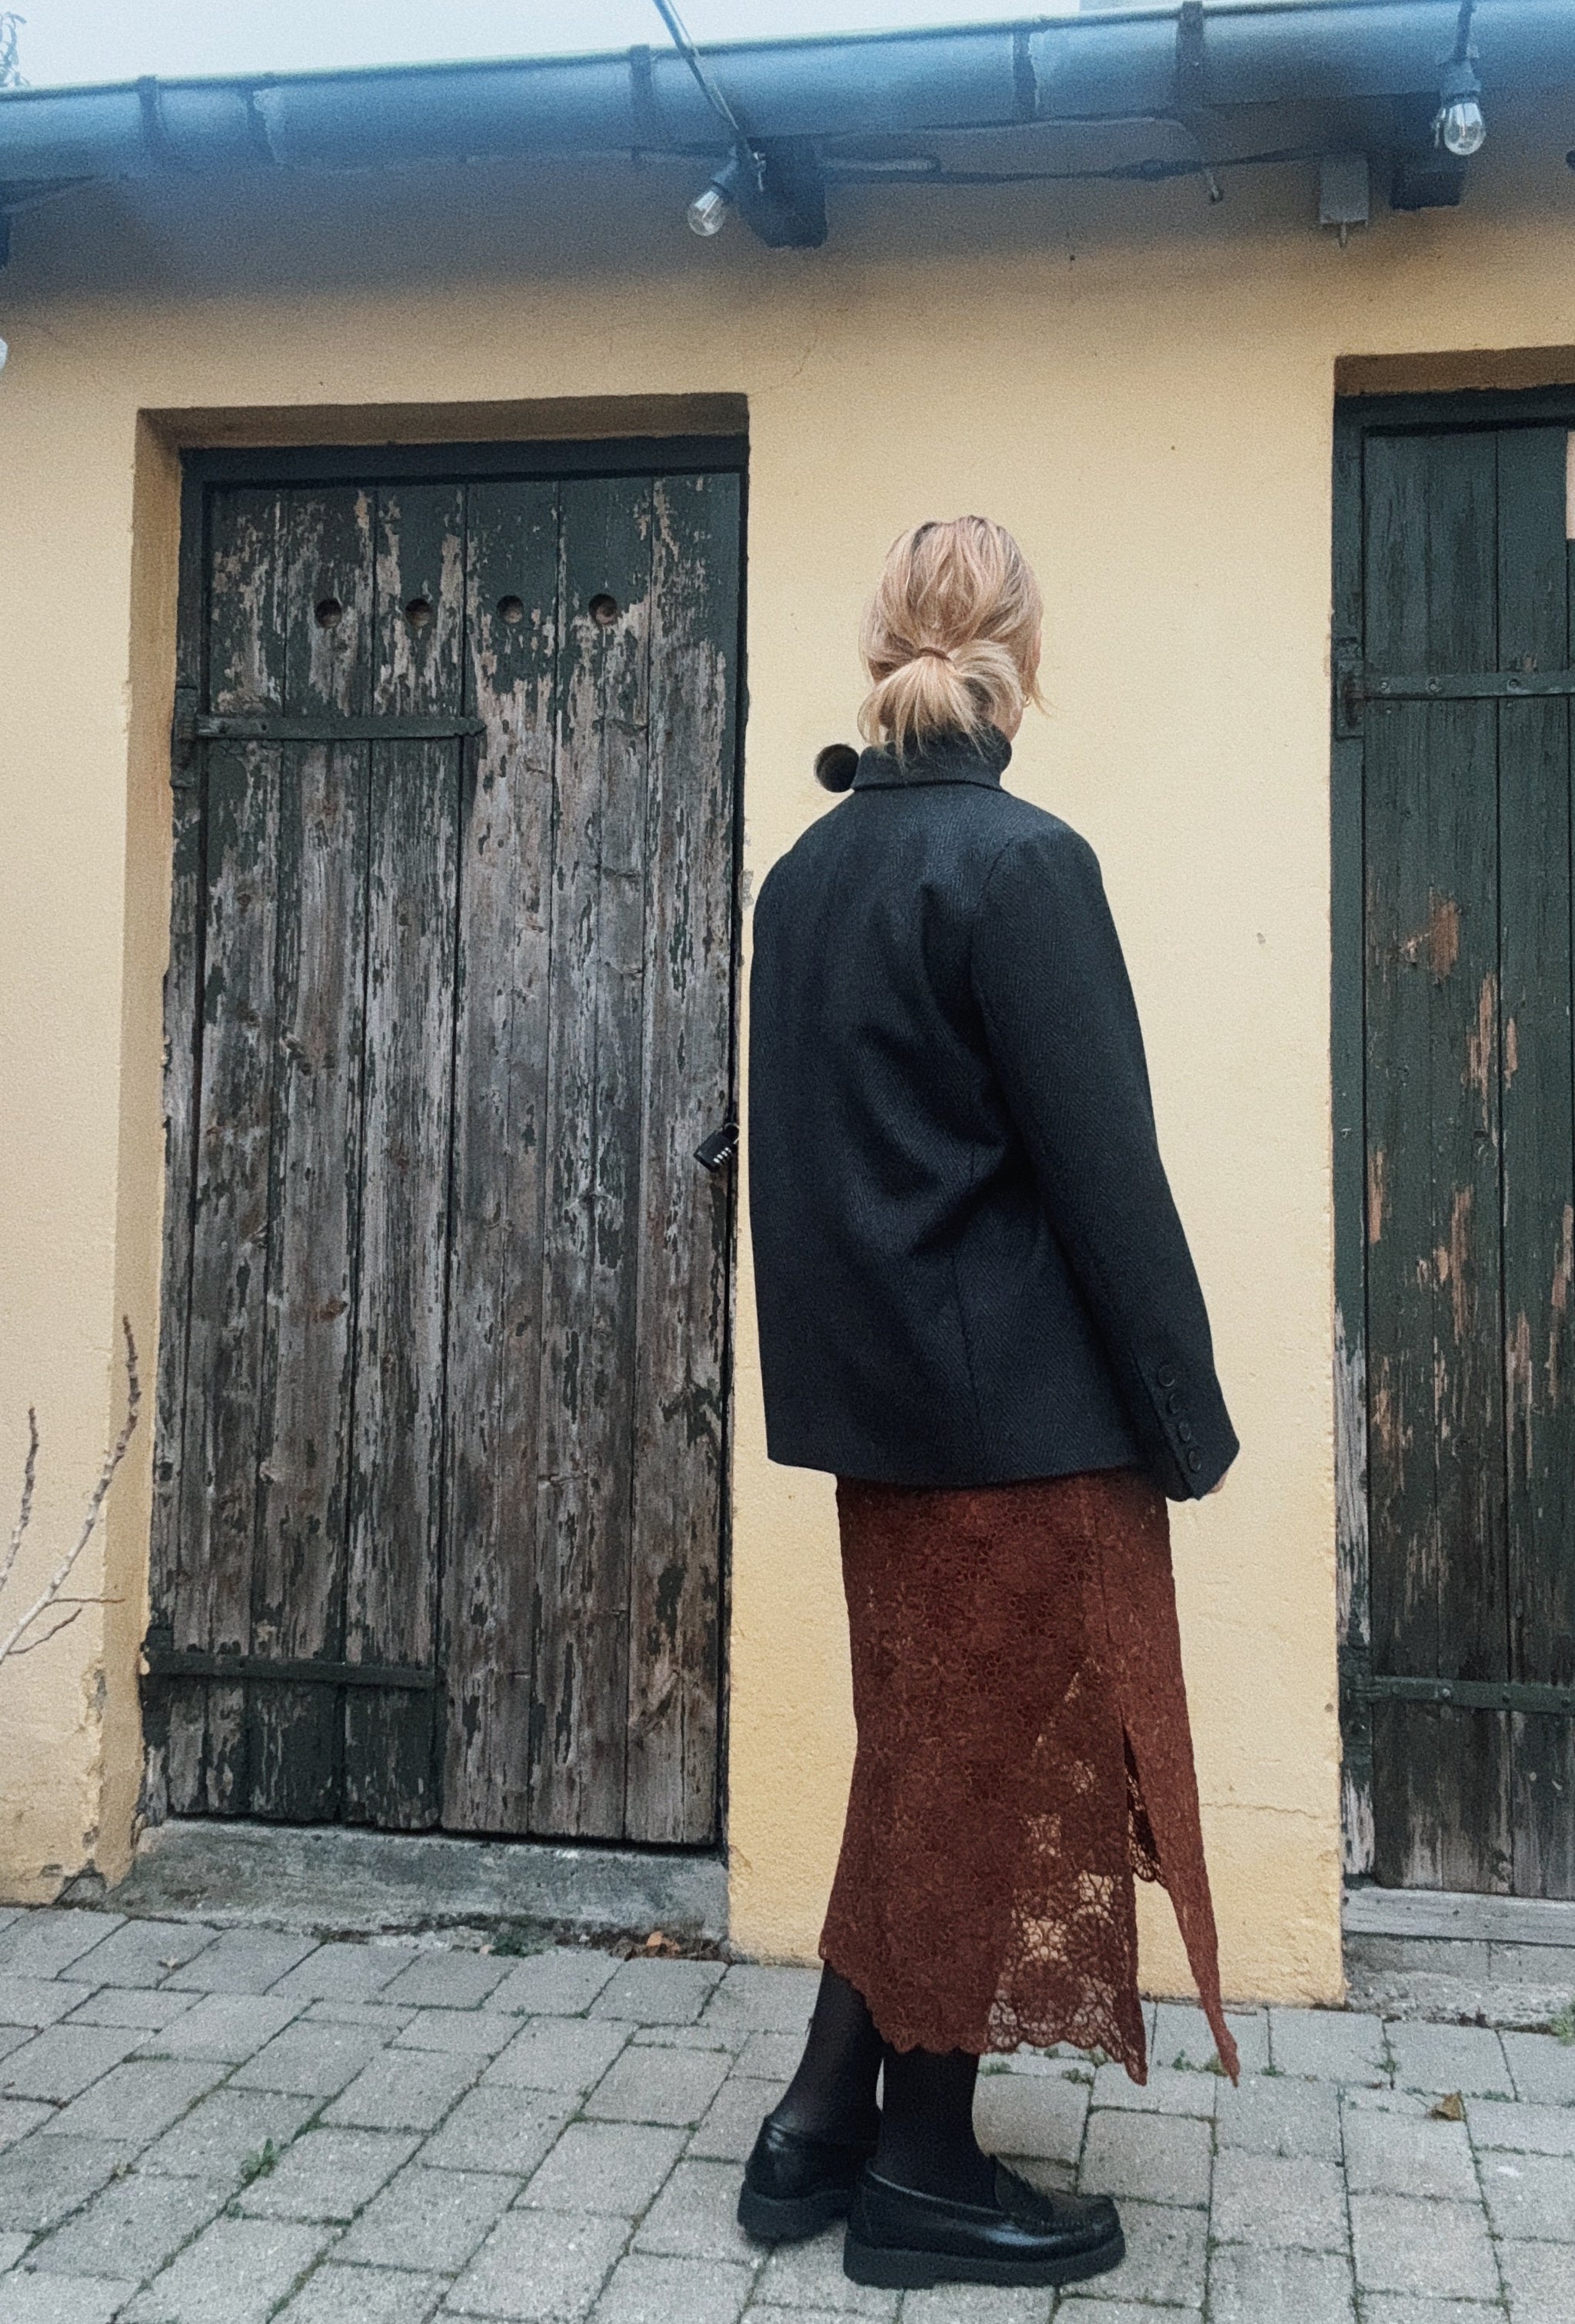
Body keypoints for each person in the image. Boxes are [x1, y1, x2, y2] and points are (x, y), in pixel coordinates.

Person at [738, 515, 1240, 2292]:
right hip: (1016, 1421)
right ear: (1024, 654)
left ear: (884, 645)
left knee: (921, 1758)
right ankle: (926, 2173)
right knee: (974, 1781)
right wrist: (1186, 1422)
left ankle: (819, 2121)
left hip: (885, 1424)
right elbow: (1105, 1173)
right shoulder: (1021, 862)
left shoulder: (804, 874)